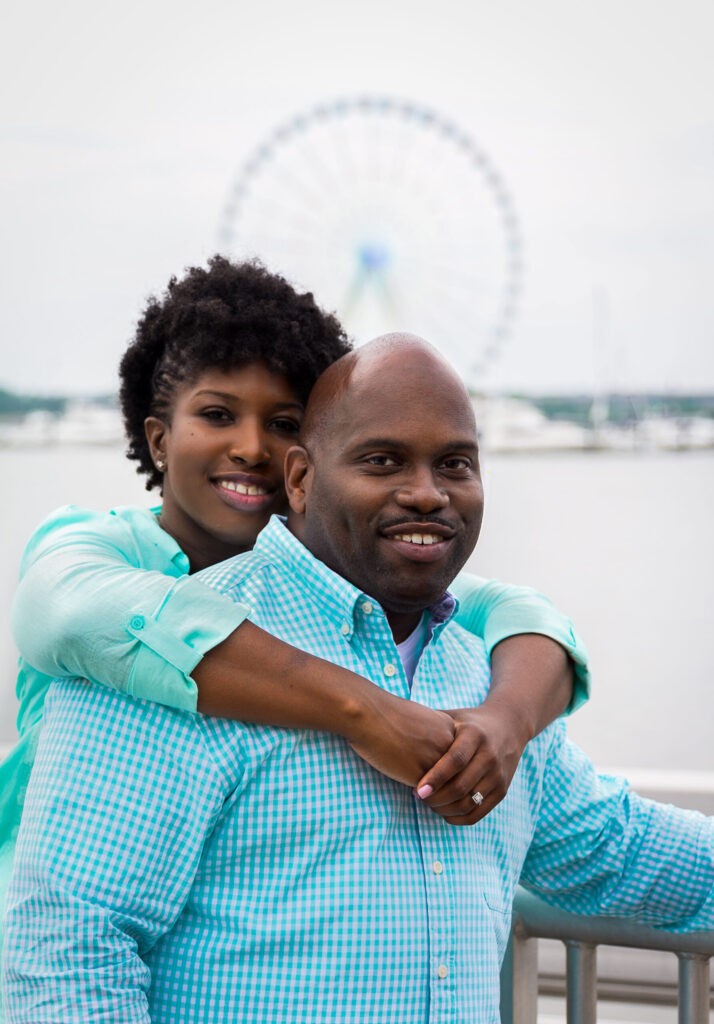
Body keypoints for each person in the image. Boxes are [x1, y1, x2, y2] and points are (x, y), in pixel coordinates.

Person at [4, 335, 712, 1023]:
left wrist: (513, 713)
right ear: (301, 480)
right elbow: (65, 957)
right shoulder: (162, 662)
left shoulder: (481, 676)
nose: (428, 494)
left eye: (456, 464)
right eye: (383, 461)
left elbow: (616, 848)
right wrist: (361, 711)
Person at [1, 257, 588, 888]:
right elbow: (61, 609)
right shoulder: (104, 547)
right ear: (159, 439)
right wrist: (361, 709)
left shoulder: (342, 580)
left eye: (283, 425)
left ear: (308, 462)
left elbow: (519, 616)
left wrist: (508, 721)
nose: (253, 448)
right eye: (218, 415)